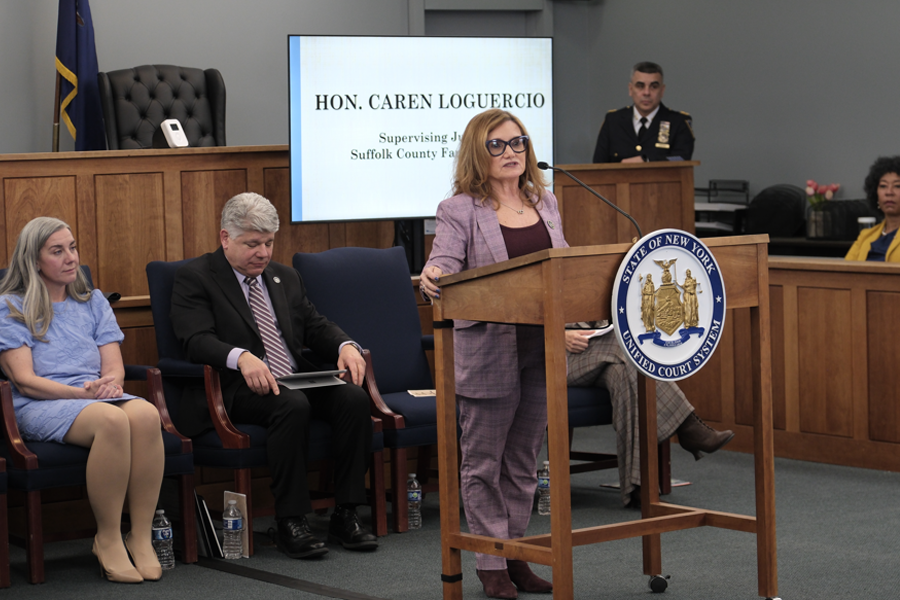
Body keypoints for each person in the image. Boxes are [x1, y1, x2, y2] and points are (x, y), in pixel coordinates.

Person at [170, 192, 377, 559]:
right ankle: (290, 521)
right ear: (225, 238)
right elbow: (195, 340)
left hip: (292, 378)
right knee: (291, 404)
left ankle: (346, 514)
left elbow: (314, 325)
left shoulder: (285, 277)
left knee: (353, 398)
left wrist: (345, 345)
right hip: (235, 387)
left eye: (268, 243)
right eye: (253, 244)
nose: (263, 253)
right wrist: (241, 357)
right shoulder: (196, 277)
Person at [420, 109, 562, 599]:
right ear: (477, 153)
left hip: (540, 344)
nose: (510, 152)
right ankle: (490, 561)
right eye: (497, 145)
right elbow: (442, 262)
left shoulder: (545, 201)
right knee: (483, 463)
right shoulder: (459, 209)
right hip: (489, 347)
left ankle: (516, 552)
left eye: (518, 142)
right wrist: (434, 275)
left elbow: (561, 265)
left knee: (523, 459)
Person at [0, 217, 164, 583]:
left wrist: (110, 385)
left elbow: (114, 368)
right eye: (57, 251)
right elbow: (25, 381)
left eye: (72, 248)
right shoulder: (10, 306)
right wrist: (84, 395)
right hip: (40, 403)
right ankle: (107, 538)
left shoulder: (92, 301)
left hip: (92, 395)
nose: (71, 258)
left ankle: (140, 535)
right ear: (34, 260)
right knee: (111, 420)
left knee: (147, 414)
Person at [565, 326, 734, 508]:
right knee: (626, 344)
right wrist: (560, 335)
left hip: (597, 353)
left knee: (622, 374)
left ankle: (639, 489)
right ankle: (688, 426)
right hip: (558, 355)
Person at [592, 61, 694, 163]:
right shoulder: (613, 121)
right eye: (640, 86)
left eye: (653, 87)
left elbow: (681, 159)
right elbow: (598, 165)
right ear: (630, 89)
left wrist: (647, 161)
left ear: (662, 90)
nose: (646, 92)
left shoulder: (678, 122)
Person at [845, 156, 900, 262]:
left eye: (897, 186)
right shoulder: (865, 236)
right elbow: (845, 269)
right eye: (883, 186)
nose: (889, 192)